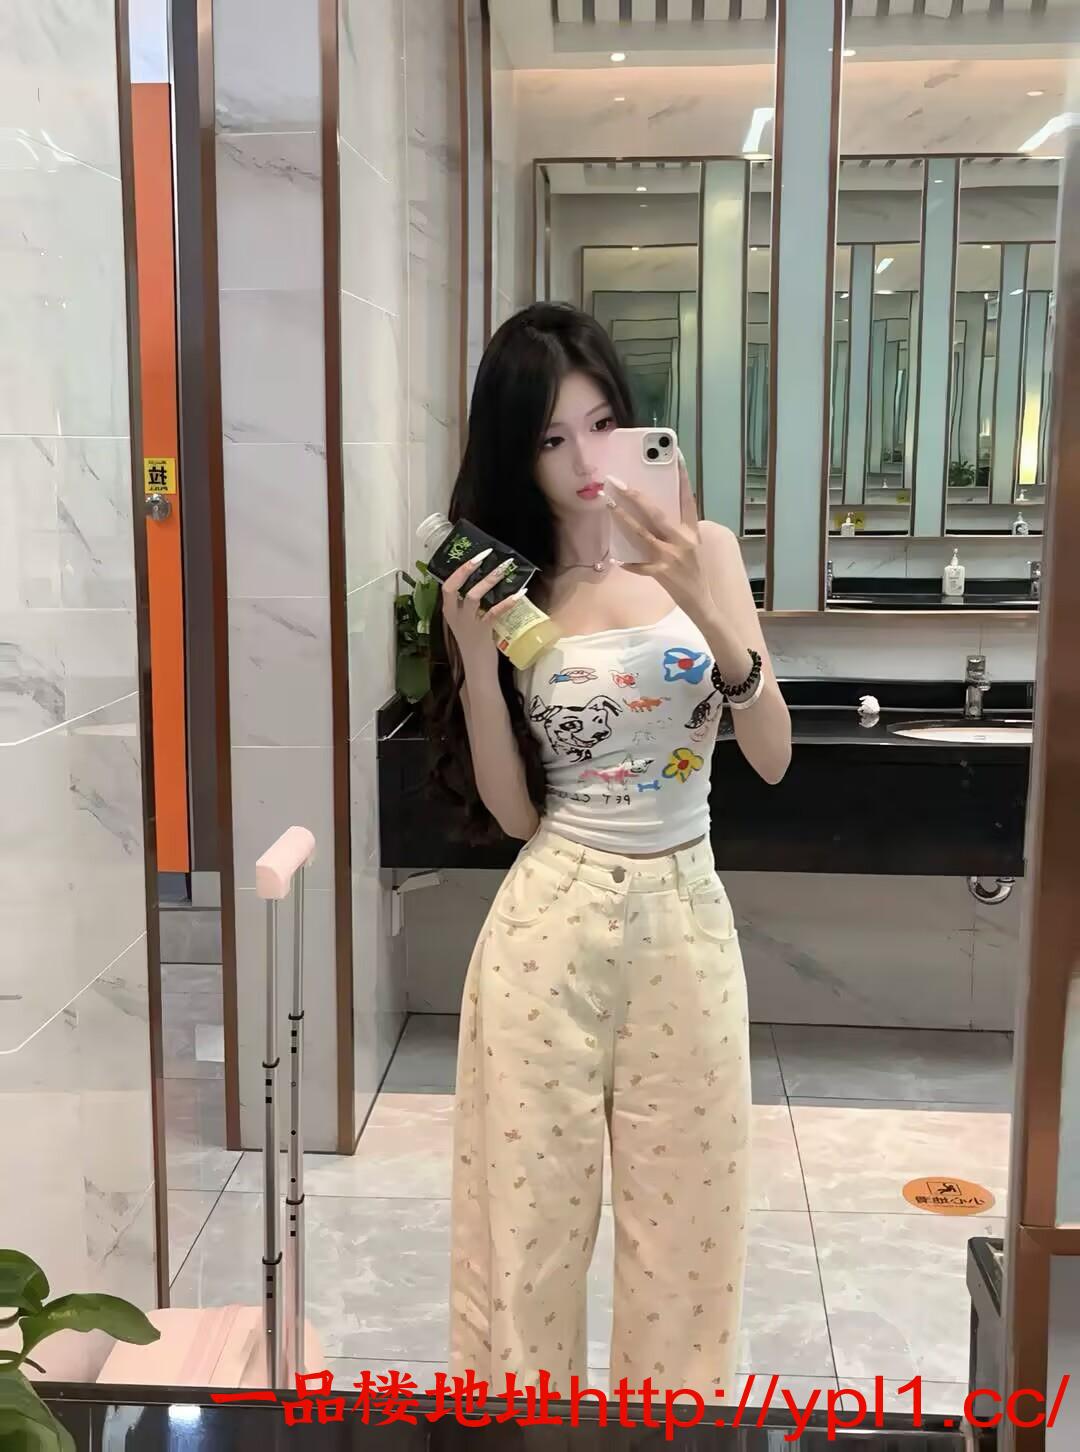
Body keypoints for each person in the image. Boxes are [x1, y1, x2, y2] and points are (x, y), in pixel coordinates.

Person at [426, 302, 791, 1399]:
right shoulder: (519, 592)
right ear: (515, 452)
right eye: (551, 438)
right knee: (524, 1235)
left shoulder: (705, 551)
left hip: (686, 914)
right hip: (552, 918)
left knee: (689, 1235)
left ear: (634, 426)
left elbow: (771, 756)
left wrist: (707, 613)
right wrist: (475, 659)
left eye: (600, 425)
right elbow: (515, 817)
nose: (586, 463)